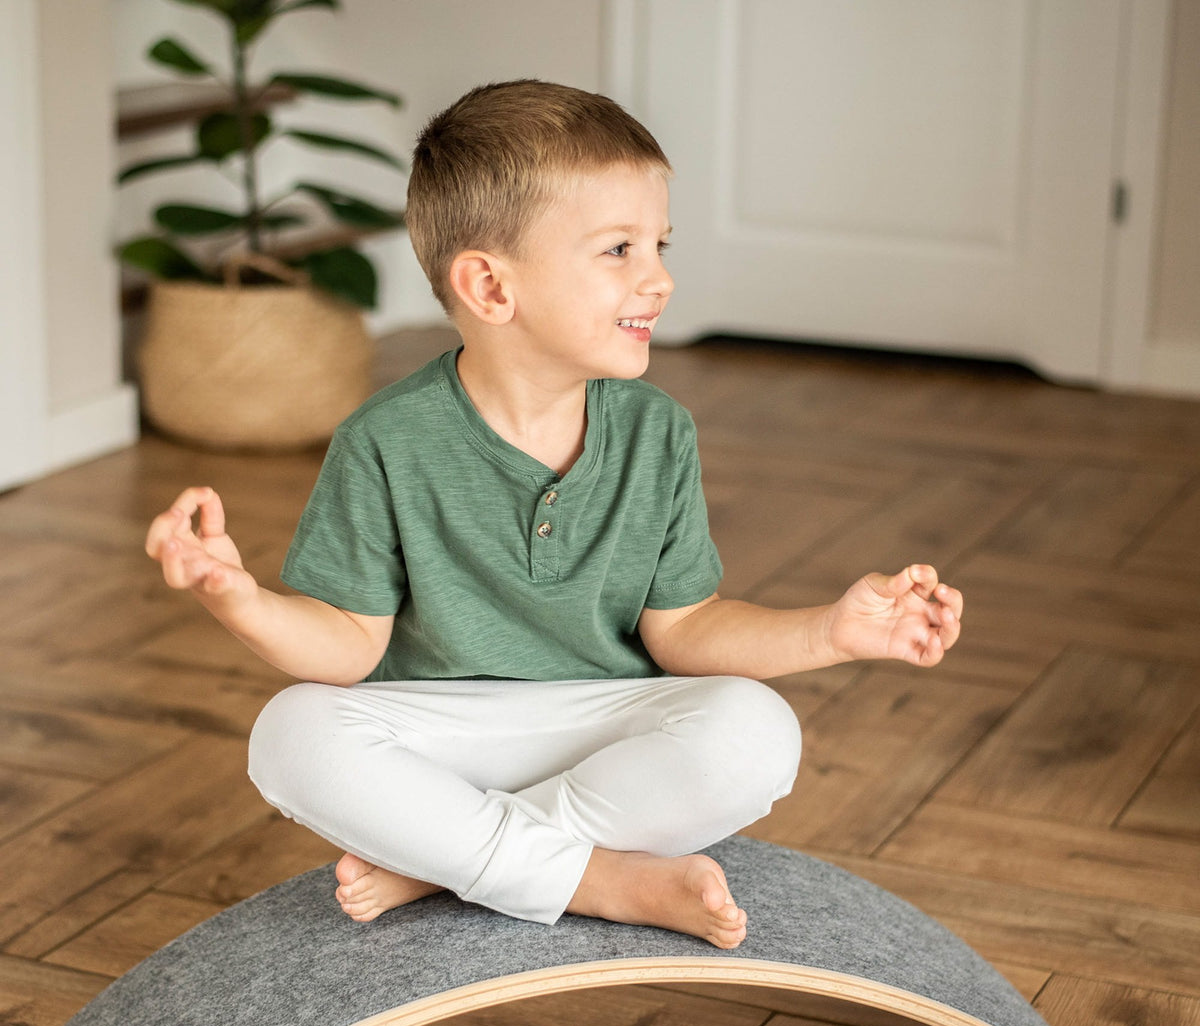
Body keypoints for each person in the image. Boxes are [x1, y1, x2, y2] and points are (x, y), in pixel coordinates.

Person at [145, 80, 962, 950]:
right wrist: (239, 600)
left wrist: (833, 631)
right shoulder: (384, 440)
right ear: (491, 288)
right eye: (619, 250)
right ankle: (599, 879)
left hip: (606, 718)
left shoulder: (658, 433)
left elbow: (685, 631)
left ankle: (445, 860)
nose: (660, 277)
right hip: (439, 726)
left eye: (660, 244)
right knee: (289, 736)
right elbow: (347, 644)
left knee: (757, 731)